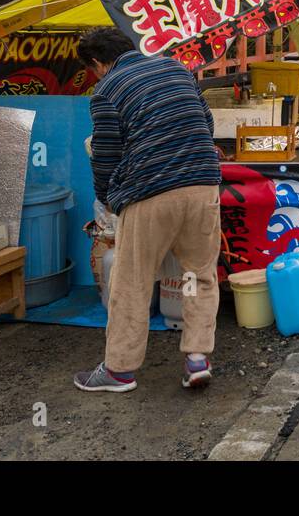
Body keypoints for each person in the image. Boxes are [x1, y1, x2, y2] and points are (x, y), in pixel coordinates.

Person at [73, 27, 222, 393]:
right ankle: (197, 359)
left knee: (131, 281)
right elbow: (207, 124)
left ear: (97, 63)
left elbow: (107, 155)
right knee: (199, 275)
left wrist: (107, 198)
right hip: (203, 186)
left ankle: (120, 371)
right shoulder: (176, 69)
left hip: (150, 192)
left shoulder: (107, 90)